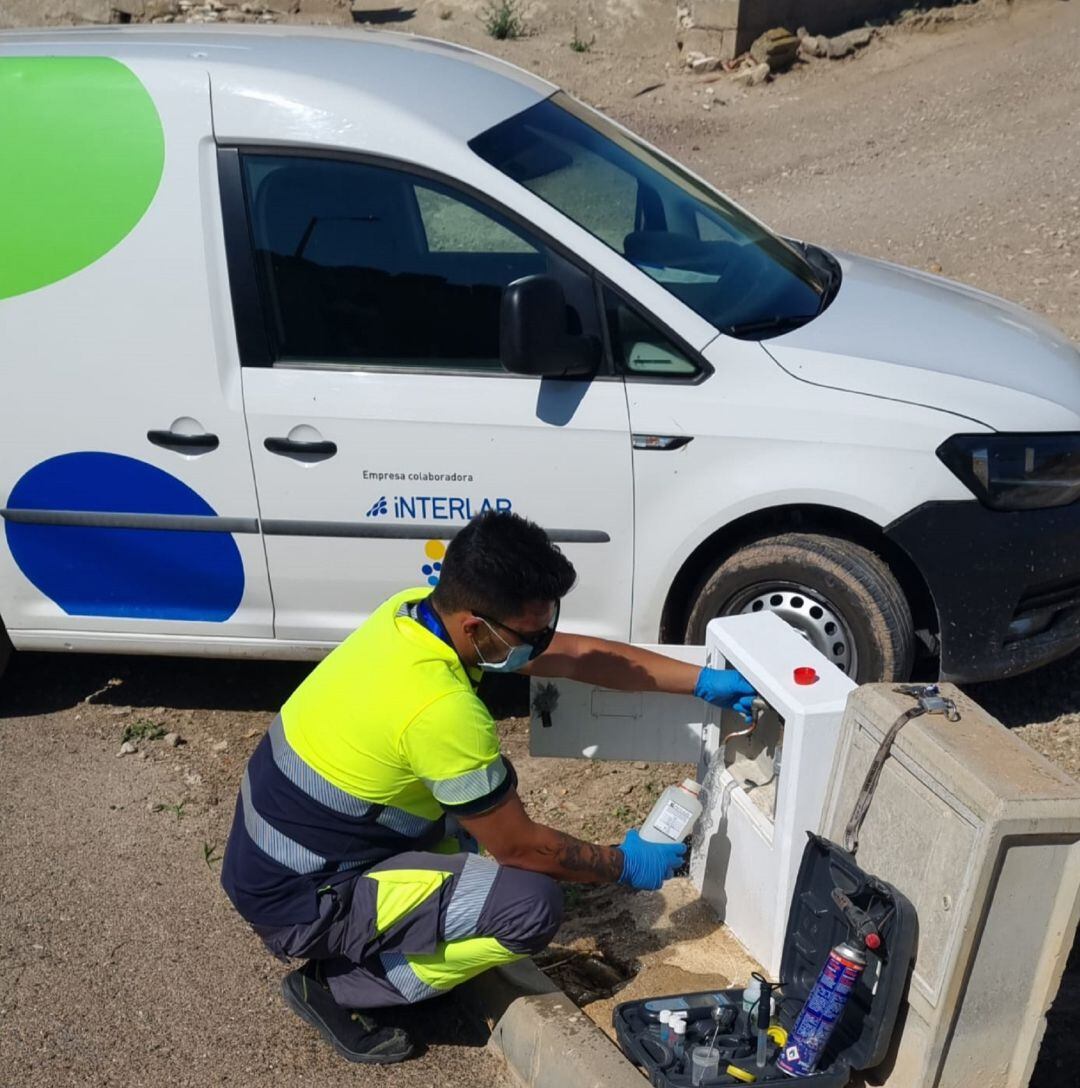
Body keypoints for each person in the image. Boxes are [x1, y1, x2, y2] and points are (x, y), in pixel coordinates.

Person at [221, 511, 755, 1065]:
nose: (544, 643)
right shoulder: (440, 709)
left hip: (285, 855)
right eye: (532, 635)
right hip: (305, 901)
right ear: (477, 625)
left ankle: (387, 928)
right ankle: (341, 987)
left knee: (482, 808)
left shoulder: (413, 616)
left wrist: (699, 682)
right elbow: (520, 847)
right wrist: (624, 864)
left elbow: (577, 657)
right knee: (530, 903)